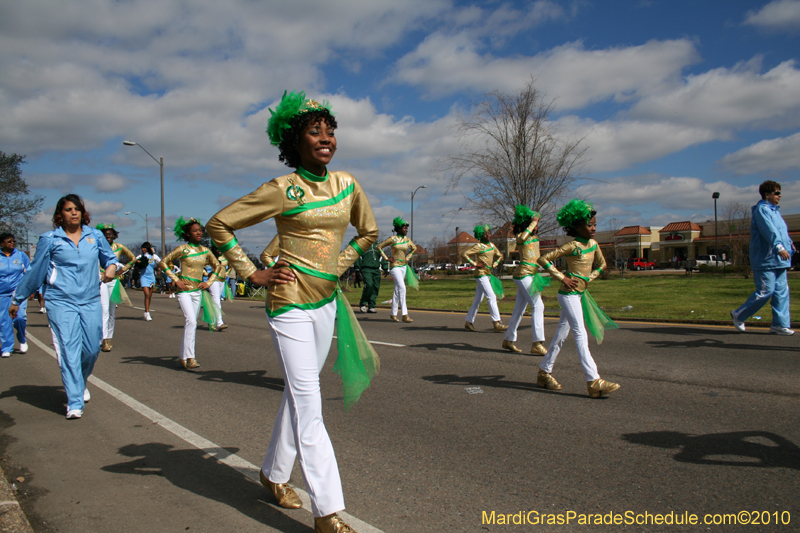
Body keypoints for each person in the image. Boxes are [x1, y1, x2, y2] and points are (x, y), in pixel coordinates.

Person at [207, 90, 378, 533]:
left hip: (326, 302)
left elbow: (368, 232)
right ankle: (328, 512)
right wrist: (251, 272)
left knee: (298, 396)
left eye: (330, 131)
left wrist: (336, 266)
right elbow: (219, 224)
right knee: (309, 403)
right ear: (294, 141)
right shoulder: (281, 189)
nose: (326, 138)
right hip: (288, 304)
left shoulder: (348, 185)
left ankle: (273, 473)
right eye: (315, 132)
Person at [10, 194, 119, 418]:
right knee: (69, 349)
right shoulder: (50, 239)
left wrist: (111, 267)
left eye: (77, 208)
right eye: (68, 209)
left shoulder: (95, 236)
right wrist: (17, 299)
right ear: (60, 215)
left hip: (90, 299)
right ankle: (75, 401)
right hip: (60, 301)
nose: (74, 212)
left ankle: (79, 382)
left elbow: (110, 259)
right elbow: (36, 271)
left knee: (91, 349)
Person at [537, 199, 620, 398]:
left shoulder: (593, 244)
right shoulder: (572, 246)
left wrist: (589, 278)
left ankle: (544, 372)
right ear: (576, 226)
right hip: (568, 295)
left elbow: (602, 265)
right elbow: (543, 259)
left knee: (561, 335)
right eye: (589, 225)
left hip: (580, 294)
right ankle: (593, 380)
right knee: (580, 333)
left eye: (595, 224)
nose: (593, 228)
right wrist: (562, 278)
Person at [731, 180, 795, 335]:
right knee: (765, 291)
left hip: (779, 260)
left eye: (780, 193)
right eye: (776, 193)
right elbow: (769, 230)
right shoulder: (761, 210)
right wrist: (779, 247)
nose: (779, 196)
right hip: (765, 259)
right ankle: (739, 314)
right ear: (767, 194)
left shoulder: (775, 212)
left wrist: (789, 244)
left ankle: (779, 325)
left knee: (781, 293)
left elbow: (781, 231)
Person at [159, 217, 221, 370]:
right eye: (195, 231)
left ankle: (183, 357)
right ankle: (190, 357)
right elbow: (163, 262)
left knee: (191, 324)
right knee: (191, 321)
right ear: (187, 234)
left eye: (200, 230)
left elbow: (217, 266)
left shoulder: (205, 251)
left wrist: (208, 282)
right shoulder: (182, 249)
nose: (199, 233)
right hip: (184, 291)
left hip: (197, 292)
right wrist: (176, 280)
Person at [502, 206, 550, 355]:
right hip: (523, 275)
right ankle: (537, 343)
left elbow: (537, 258)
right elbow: (522, 238)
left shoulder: (534, 238)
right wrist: (533, 222)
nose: (536, 227)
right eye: (534, 224)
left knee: (519, 309)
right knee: (538, 305)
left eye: (537, 224)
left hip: (530, 275)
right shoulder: (521, 236)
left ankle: (508, 340)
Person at [96, 223, 135, 352]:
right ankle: (102, 339)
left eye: (110, 234)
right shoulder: (98, 246)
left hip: (114, 281)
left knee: (112, 311)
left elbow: (133, 258)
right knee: (104, 310)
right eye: (105, 234)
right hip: (102, 280)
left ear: (114, 236)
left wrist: (122, 270)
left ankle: (108, 338)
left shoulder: (119, 247)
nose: (108, 236)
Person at [463, 224, 508, 332]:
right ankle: (496, 323)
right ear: (480, 236)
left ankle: (468, 321)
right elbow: (464, 254)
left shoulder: (492, 245)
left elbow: (500, 256)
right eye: (485, 234)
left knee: (478, 300)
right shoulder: (478, 246)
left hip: (488, 274)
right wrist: (475, 264)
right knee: (491, 296)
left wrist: (495, 264)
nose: (488, 235)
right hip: (481, 274)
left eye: (489, 233)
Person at [378, 217, 417, 322]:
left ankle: (393, 313)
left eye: (407, 228)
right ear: (399, 229)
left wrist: (408, 257)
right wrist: (387, 258)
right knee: (402, 287)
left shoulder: (407, 240)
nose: (406, 230)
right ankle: (405, 314)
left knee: (397, 290)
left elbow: (414, 248)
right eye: (404, 228)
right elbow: (379, 247)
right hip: (394, 266)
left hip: (403, 266)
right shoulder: (393, 239)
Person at [0, 233, 31, 358]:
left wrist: (31, 289)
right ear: (2, 244)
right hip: (2, 294)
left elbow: (29, 272)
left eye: (13, 241)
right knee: (5, 321)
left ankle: (22, 338)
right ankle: (7, 347)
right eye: (9, 241)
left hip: (18, 293)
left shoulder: (21, 255)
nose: (12, 243)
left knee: (19, 317)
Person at [355, 241, 389, 313]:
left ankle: (371, 306)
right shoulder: (364, 245)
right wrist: (357, 269)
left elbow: (382, 257)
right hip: (366, 269)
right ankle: (363, 304)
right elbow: (358, 257)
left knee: (375, 287)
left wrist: (385, 267)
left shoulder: (378, 246)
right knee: (369, 285)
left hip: (376, 270)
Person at [134, 242, 161, 321]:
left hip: (151, 277)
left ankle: (146, 311)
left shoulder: (153, 256)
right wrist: (137, 263)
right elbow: (133, 261)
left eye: (144, 248)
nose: (143, 249)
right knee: (147, 294)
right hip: (144, 277)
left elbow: (161, 263)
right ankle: (147, 312)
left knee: (150, 296)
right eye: (142, 248)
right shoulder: (140, 256)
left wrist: (162, 268)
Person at [207, 246, 228, 331]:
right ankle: (219, 323)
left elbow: (230, 267)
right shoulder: (211, 257)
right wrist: (206, 273)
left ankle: (211, 320)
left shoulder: (225, 257)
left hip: (222, 281)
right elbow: (200, 266)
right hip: (213, 280)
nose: (218, 250)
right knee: (217, 301)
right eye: (216, 248)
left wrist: (226, 273)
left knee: (215, 301)